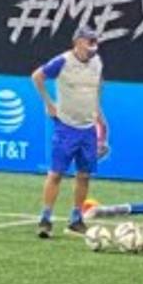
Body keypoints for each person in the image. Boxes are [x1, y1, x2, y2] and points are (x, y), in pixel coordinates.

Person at [32, 26, 108, 238]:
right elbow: (37, 76)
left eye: (95, 40)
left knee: (84, 176)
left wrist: (98, 113)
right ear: (78, 42)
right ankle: (45, 218)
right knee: (56, 173)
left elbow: (98, 86)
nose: (93, 44)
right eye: (89, 40)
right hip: (65, 126)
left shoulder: (97, 62)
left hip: (88, 128)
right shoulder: (62, 62)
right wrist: (48, 103)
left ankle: (76, 218)